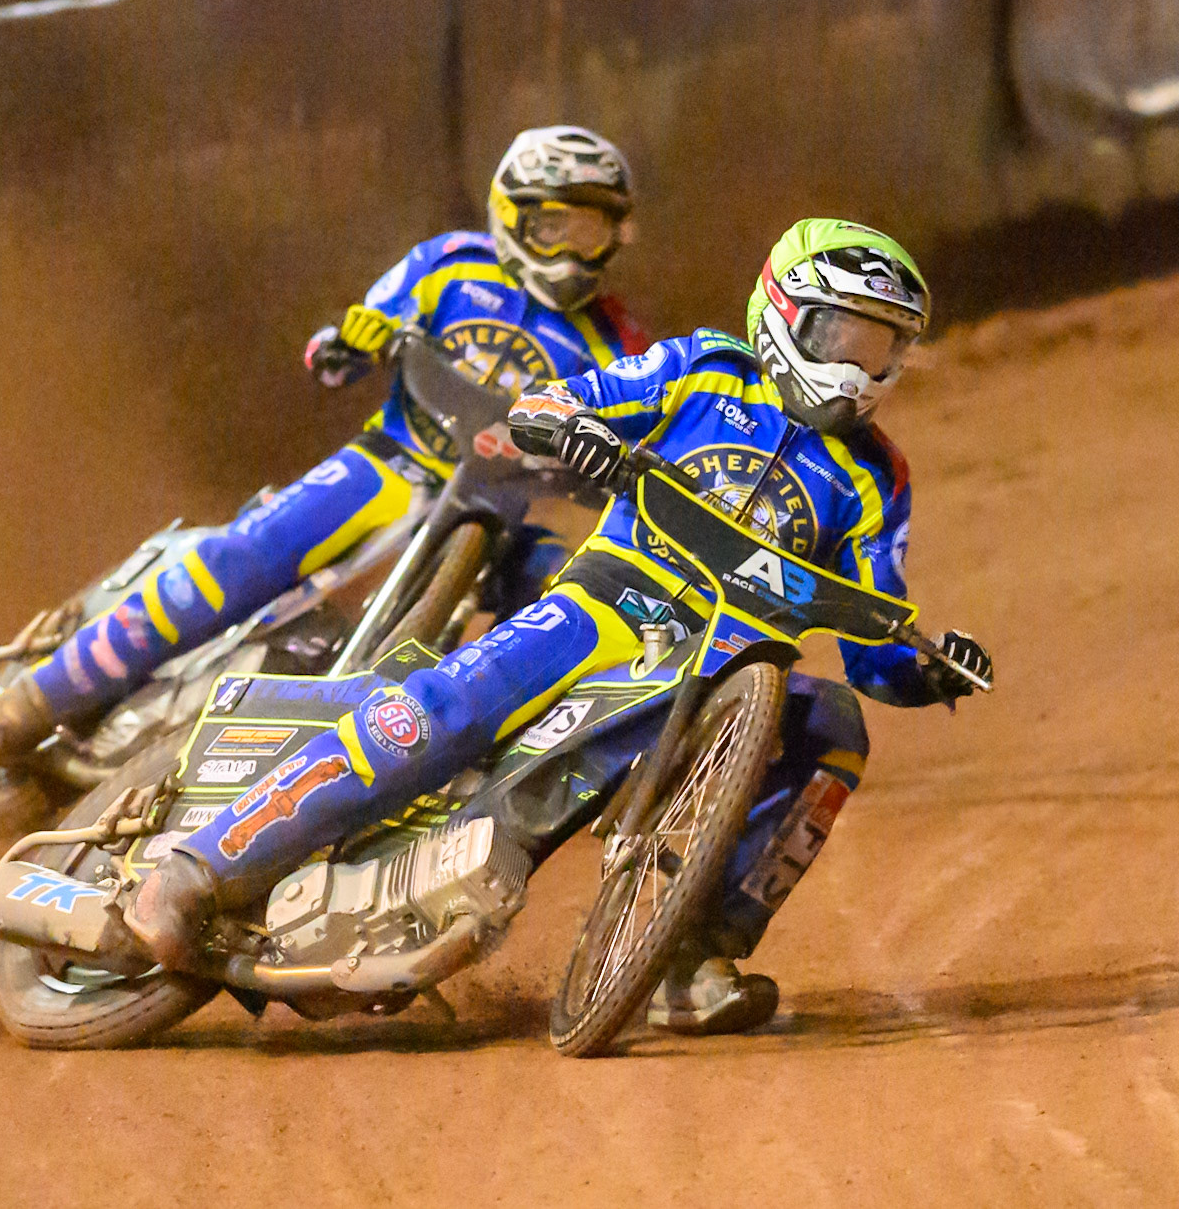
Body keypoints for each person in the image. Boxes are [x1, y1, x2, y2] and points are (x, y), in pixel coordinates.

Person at [121, 218, 994, 1036]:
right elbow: (576, 396)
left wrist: (928, 670)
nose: (856, 365)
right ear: (783, 316)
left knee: (835, 728)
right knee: (444, 710)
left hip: (724, 665)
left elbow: (877, 638)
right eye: (841, 335)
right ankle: (197, 866)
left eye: (879, 346)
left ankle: (691, 962)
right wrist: (563, 421)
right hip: (609, 602)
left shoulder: (876, 478)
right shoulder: (707, 369)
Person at [0, 126, 647, 788]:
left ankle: (524, 778)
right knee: (252, 550)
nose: (573, 249)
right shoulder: (449, 265)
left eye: (593, 231)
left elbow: (635, 433)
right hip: (395, 462)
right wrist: (348, 342)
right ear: (514, 216)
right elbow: (340, 348)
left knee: (566, 602)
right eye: (558, 226)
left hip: (505, 510)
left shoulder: (614, 340)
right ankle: (32, 702)